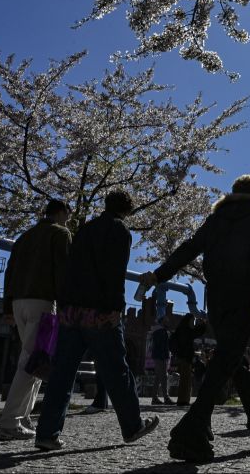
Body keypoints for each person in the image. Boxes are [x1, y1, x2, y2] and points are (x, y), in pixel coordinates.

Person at [139, 174, 250, 463]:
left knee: (234, 361)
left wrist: (159, 274)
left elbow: (189, 248)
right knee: (228, 358)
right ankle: (191, 430)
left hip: (215, 298)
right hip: (241, 295)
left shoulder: (216, 219)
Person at [34, 191, 159, 451]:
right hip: (99, 313)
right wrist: (116, 308)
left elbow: (70, 269)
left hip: (71, 310)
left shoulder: (84, 229)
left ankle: (47, 433)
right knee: (116, 368)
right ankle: (132, 425)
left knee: (62, 373)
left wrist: (65, 303)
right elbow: (114, 272)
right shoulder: (120, 231)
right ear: (127, 210)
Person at [0, 199, 71, 441]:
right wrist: (66, 305)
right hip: (43, 301)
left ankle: (23, 416)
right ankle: (9, 422)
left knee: (36, 360)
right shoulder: (60, 233)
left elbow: (10, 270)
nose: (68, 219)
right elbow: (63, 271)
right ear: (61, 212)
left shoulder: (24, 237)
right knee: (31, 361)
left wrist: (7, 306)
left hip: (18, 302)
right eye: (67, 215)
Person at [171, 313, 207, 406]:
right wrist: (203, 325)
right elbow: (195, 333)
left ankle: (184, 399)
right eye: (192, 320)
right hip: (185, 357)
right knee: (185, 379)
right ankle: (183, 400)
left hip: (184, 357)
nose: (193, 322)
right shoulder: (185, 330)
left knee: (185, 378)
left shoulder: (181, 329)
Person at [150, 321, 174, 405]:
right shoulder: (162, 331)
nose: (168, 320)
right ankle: (166, 398)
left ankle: (154, 398)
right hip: (161, 357)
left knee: (158, 377)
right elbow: (164, 346)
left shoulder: (157, 331)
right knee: (164, 377)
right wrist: (166, 356)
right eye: (166, 319)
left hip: (158, 356)